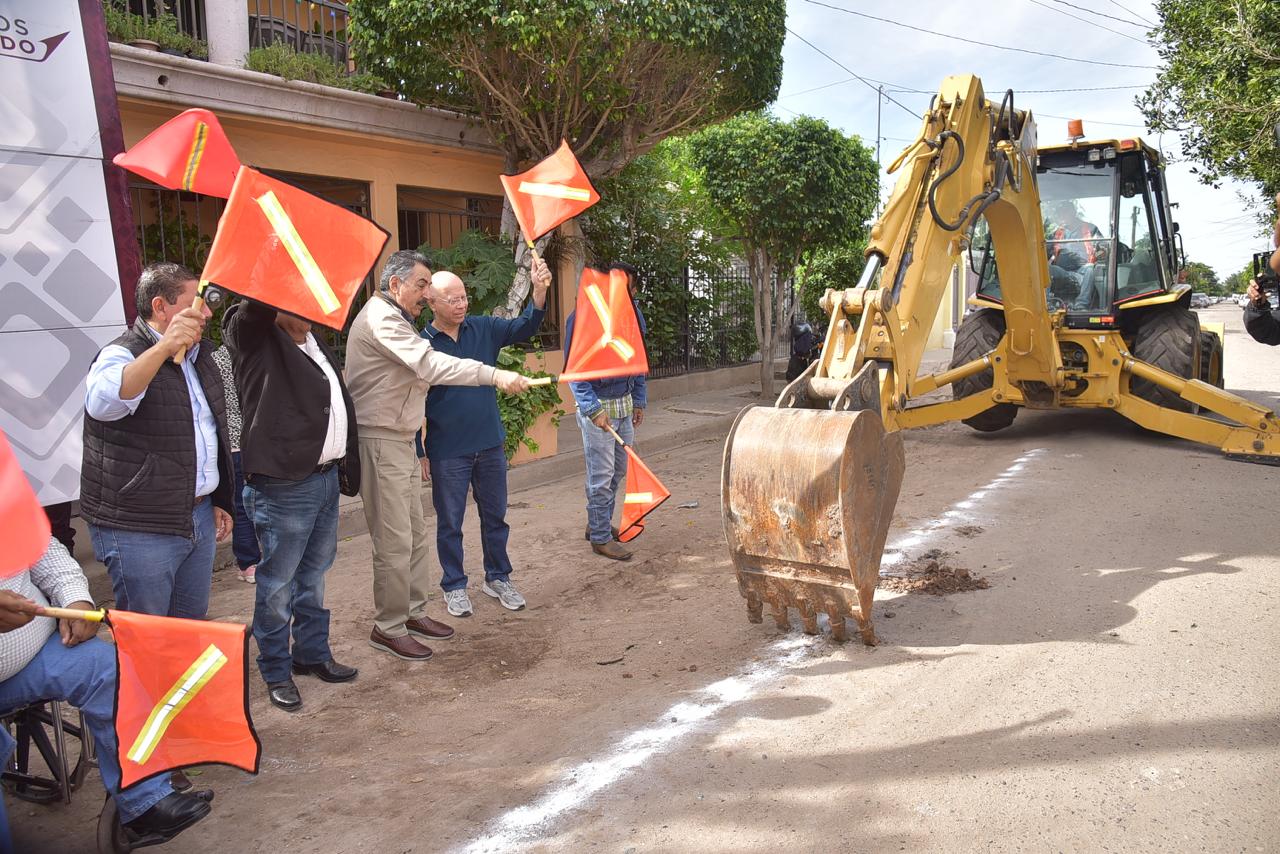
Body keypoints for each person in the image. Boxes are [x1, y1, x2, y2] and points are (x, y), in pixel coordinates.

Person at [344, 250, 533, 661]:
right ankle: (388, 626)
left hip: (400, 439)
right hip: (381, 441)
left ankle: (411, 612)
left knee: (411, 535)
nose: (426, 294)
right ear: (395, 285)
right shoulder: (382, 319)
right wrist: (494, 375)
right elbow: (430, 365)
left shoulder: (397, 319)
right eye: (421, 285)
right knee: (394, 540)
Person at [0, 536, 213, 847]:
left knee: (109, 669)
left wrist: (76, 600)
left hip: (35, 653)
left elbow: (44, 552)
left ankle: (144, 801)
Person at [223, 299, 361, 711]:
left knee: (314, 575)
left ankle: (311, 653)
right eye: (297, 302)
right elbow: (250, 312)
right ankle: (276, 669)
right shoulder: (256, 337)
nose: (310, 311)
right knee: (277, 584)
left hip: (324, 479)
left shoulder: (316, 343)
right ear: (275, 307)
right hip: (284, 486)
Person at [81, 262, 233, 621]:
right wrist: (163, 348)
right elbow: (103, 404)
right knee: (148, 636)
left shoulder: (202, 356)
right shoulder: (122, 352)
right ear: (161, 307)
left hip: (197, 514)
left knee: (189, 626)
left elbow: (208, 435)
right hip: (139, 525)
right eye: (195, 302)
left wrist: (217, 497)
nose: (208, 313)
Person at [417, 257, 552, 617]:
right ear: (431, 302)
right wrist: (420, 451)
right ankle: (455, 585)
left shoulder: (482, 328)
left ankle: (498, 577)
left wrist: (538, 292)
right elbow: (411, 401)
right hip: (447, 450)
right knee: (450, 522)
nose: (461, 305)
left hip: (489, 443)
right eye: (452, 300)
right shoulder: (420, 345)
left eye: (463, 298)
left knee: (496, 516)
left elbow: (524, 327)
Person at [564, 262, 648, 562]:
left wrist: (639, 399)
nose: (633, 295)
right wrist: (592, 409)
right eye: (630, 289)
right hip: (598, 405)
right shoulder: (582, 319)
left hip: (623, 403)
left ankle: (595, 522)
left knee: (619, 470)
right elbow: (575, 372)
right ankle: (600, 537)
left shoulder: (631, 315)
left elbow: (637, 358)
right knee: (601, 475)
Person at [212, 344, 261, 583]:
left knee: (240, 507)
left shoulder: (216, 359)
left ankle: (249, 562)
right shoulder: (251, 354)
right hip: (252, 438)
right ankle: (255, 560)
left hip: (230, 443)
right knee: (255, 503)